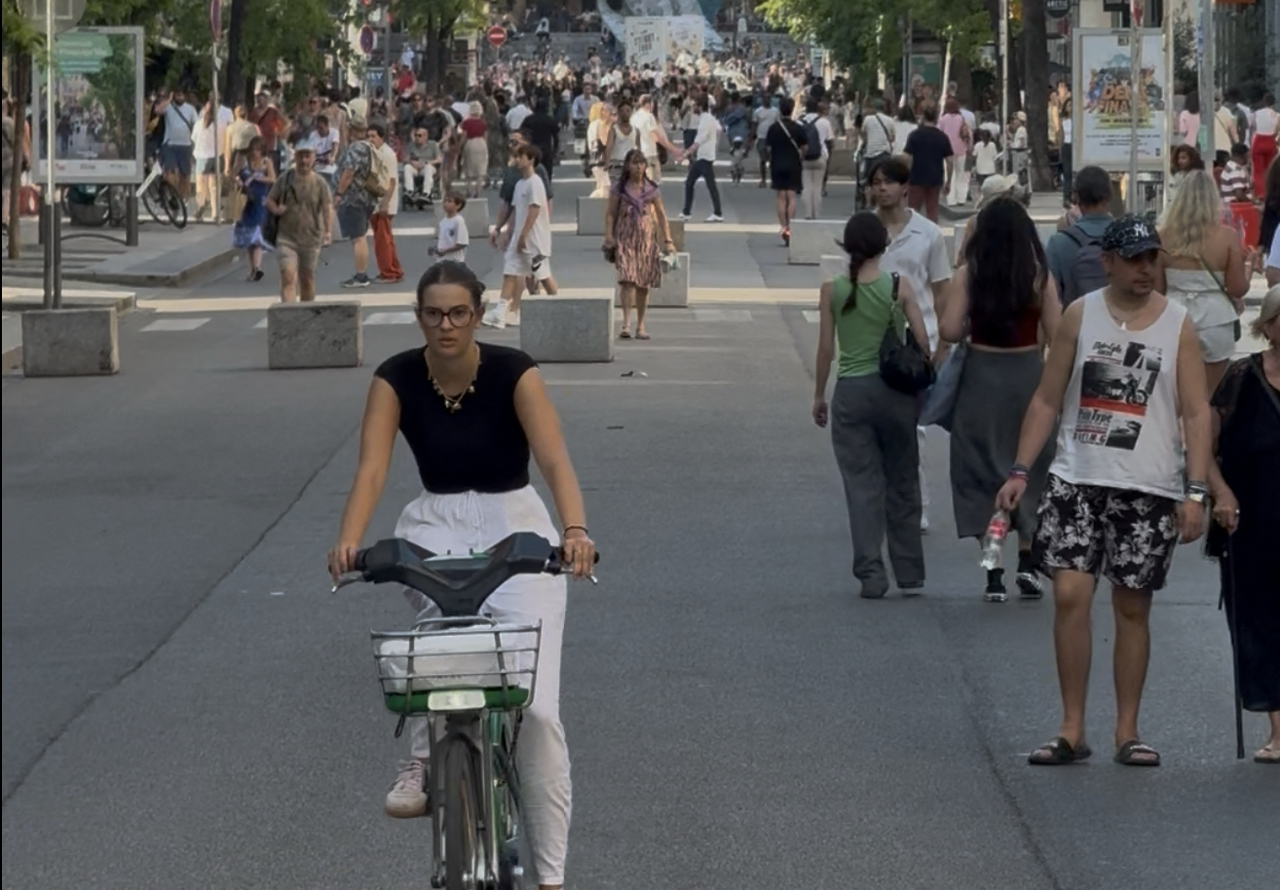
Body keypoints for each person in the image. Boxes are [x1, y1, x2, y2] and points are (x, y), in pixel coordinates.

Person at [327, 260, 596, 890]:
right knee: (437, 653)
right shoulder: (394, 377)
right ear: (418, 315)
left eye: (458, 313)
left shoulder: (513, 371)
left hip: (517, 525)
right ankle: (423, 759)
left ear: (477, 314)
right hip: (436, 528)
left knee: (539, 713)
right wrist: (348, 542)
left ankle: (551, 879)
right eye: (432, 313)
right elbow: (371, 469)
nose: (444, 325)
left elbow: (554, 459)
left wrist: (576, 531)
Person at [997, 216, 1212, 768]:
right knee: (1069, 595)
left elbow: (1195, 410)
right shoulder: (1079, 315)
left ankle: (1127, 730)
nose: (1146, 269)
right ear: (1108, 262)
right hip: (1078, 476)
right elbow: (1047, 398)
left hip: (1147, 485)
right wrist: (1021, 469)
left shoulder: (1178, 325)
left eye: (1152, 259)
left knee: (1131, 605)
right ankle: (1071, 727)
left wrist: (1195, 490)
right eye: (1135, 259)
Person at [939, 197, 1061, 602]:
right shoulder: (1038, 277)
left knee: (980, 470)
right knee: (1029, 467)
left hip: (981, 379)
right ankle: (1028, 557)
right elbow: (1058, 333)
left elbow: (951, 330)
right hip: (1028, 377)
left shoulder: (969, 275)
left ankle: (993, 568)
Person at [811, 212, 930, 599]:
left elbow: (826, 349)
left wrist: (818, 395)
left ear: (847, 246)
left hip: (851, 393)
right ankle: (910, 572)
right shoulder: (899, 286)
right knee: (902, 481)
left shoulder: (833, 290)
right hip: (894, 394)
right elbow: (924, 343)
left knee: (862, 486)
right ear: (884, 246)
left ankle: (871, 572)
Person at [1206, 286, 1280, 764]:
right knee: (1258, 622)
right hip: (1253, 522)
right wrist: (1219, 492)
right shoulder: (1240, 379)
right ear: (1267, 325)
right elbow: (1203, 446)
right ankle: (1278, 727)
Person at [867, 155, 952, 531]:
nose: (881, 188)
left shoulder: (928, 234)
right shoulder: (864, 229)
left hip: (918, 343)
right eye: (876, 182)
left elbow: (942, 291)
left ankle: (917, 505)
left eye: (888, 182)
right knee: (878, 426)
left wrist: (942, 344)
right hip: (873, 341)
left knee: (912, 427)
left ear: (905, 187)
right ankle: (881, 497)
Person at [1156, 169, 1249, 394]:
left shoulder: (1161, 236)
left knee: (1173, 395)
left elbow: (1157, 290)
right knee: (1208, 397)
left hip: (1173, 317)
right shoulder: (1227, 236)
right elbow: (1237, 288)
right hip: (1215, 320)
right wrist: (1249, 269)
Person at [604, 149, 676, 341]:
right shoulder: (619, 189)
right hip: (625, 238)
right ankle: (626, 323)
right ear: (627, 166)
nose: (638, 167)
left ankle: (641, 325)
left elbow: (661, 215)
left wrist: (668, 241)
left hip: (646, 240)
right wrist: (609, 236)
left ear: (645, 166)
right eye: (634, 163)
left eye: (641, 163)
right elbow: (610, 213)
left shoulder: (651, 189)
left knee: (643, 283)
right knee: (627, 280)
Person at [487, 143, 556, 330]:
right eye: (516, 156)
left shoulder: (535, 183)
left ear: (531, 160)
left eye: (521, 156)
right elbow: (514, 209)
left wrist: (523, 235)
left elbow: (534, 210)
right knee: (511, 270)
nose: (517, 160)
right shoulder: (520, 184)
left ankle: (558, 306)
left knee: (543, 275)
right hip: (520, 236)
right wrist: (501, 229)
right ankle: (501, 311)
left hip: (534, 240)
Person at [265, 139, 331, 303]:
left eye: (307, 156)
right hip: (286, 238)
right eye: (301, 156)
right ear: (296, 157)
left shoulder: (319, 183)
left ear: (313, 158)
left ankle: (306, 316)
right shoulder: (285, 179)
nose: (304, 161)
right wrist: (276, 209)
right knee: (288, 276)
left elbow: (327, 207)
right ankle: (289, 316)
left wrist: (328, 232)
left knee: (307, 279)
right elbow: (270, 200)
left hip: (311, 238)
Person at [1045, 165, 1114, 306]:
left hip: (1076, 323)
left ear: (1076, 197)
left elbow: (1050, 298)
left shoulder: (1059, 244)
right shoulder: (1126, 238)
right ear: (1110, 195)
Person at [333, 118, 379, 289]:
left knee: (357, 238)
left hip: (354, 197)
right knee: (360, 236)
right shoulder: (371, 147)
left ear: (351, 130)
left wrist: (339, 193)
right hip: (367, 196)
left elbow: (348, 172)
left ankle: (361, 275)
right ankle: (362, 273)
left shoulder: (355, 149)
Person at [231, 136, 275, 282]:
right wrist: (238, 181)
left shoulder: (266, 162)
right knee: (249, 238)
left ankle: (257, 268)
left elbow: (272, 179)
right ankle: (252, 269)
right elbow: (232, 175)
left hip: (259, 200)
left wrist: (258, 178)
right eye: (253, 149)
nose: (255, 153)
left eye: (258, 150)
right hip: (245, 200)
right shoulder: (244, 161)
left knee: (256, 234)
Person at [765, 96, 806, 246]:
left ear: (780, 110)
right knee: (792, 196)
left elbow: (768, 149)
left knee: (780, 197)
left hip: (777, 164)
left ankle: (783, 227)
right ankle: (791, 227)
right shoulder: (798, 128)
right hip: (794, 164)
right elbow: (804, 147)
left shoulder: (773, 128)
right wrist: (800, 156)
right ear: (792, 109)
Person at [902, 103, 953, 223]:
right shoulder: (942, 137)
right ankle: (932, 235)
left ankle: (913, 234)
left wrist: (905, 177)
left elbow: (906, 158)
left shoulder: (914, 136)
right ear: (936, 118)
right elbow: (950, 161)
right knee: (932, 210)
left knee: (913, 210)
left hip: (916, 177)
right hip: (935, 178)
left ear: (923, 117)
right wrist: (948, 181)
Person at [678, 95, 724, 223]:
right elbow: (719, 129)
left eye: (694, 105)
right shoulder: (708, 118)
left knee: (700, 183)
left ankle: (716, 212)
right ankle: (687, 211)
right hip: (705, 155)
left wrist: (686, 153)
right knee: (694, 183)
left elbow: (699, 140)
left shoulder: (705, 120)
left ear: (700, 106)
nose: (693, 108)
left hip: (704, 156)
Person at [1249, 93, 1277, 199]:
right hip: (1270, 141)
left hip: (1259, 140)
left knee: (1258, 171)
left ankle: (1260, 194)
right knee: (1270, 170)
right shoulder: (1276, 115)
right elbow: (1276, 131)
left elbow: (1253, 128)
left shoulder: (1257, 113)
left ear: (1264, 101)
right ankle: (1270, 192)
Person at [429, 191, 469, 264]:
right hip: (441, 260)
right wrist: (436, 249)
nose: (445, 204)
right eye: (445, 201)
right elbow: (443, 240)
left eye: (449, 201)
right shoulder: (443, 221)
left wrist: (445, 251)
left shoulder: (458, 221)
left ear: (458, 205)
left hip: (455, 261)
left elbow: (462, 243)